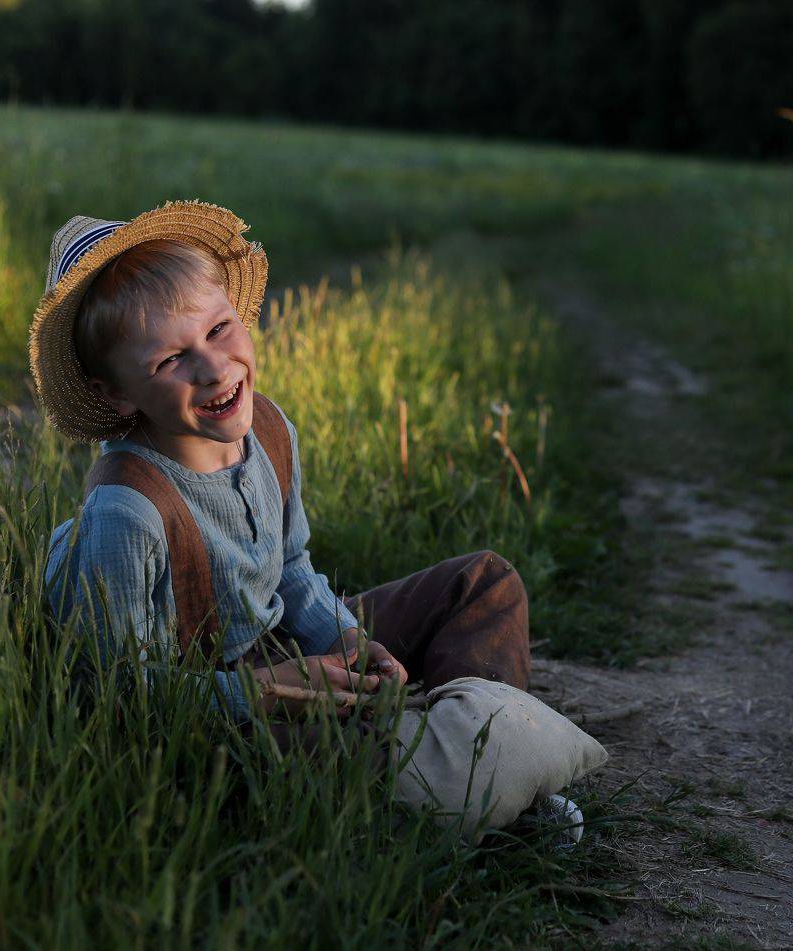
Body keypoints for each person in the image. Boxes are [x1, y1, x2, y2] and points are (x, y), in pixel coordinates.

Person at [33, 201, 532, 741]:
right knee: (339, 747)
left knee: (484, 582)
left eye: (219, 328)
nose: (214, 368)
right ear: (117, 393)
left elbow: (290, 569)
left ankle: (488, 738)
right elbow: (121, 689)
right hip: (209, 699)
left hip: (276, 639)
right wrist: (268, 689)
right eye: (170, 360)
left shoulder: (269, 432)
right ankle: (441, 764)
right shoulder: (127, 511)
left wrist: (344, 639)